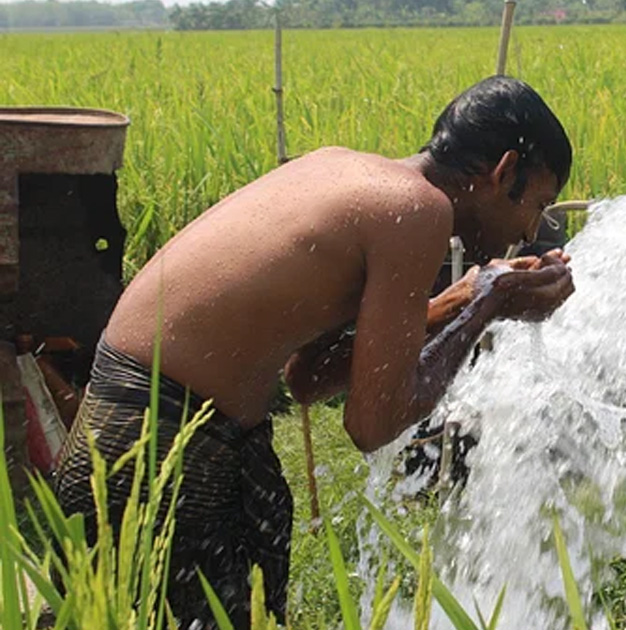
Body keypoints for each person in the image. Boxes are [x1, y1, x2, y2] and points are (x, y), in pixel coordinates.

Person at [51, 75, 575, 630]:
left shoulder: (353, 174)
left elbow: (305, 377)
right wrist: (485, 307)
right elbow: (373, 424)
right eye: (538, 203)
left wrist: (456, 301)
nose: (532, 229)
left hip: (142, 419)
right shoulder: (416, 211)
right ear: (504, 171)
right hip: (154, 440)